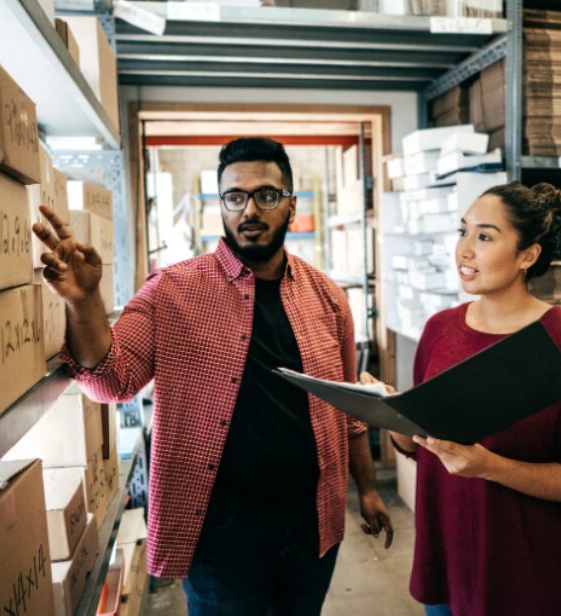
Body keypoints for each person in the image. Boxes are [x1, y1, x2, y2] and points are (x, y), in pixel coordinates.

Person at [33, 137, 393, 616]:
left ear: (290, 204)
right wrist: (84, 302)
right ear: (220, 206)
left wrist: (367, 489)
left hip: (313, 525)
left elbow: (351, 410)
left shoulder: (327, 298)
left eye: (266, 196)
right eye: (234, 197)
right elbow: (111, 382)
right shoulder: (173, 290)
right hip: (221, 534)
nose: (250, 210)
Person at [382, 182, 561, 616]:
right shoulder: (439, 330)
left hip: (528, 582)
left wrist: (490, 467)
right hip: (446, 572)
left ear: (528, 255)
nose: (464, 250)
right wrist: (392, 415)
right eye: (462, 232)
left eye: (485, 236)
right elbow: (423, 449)